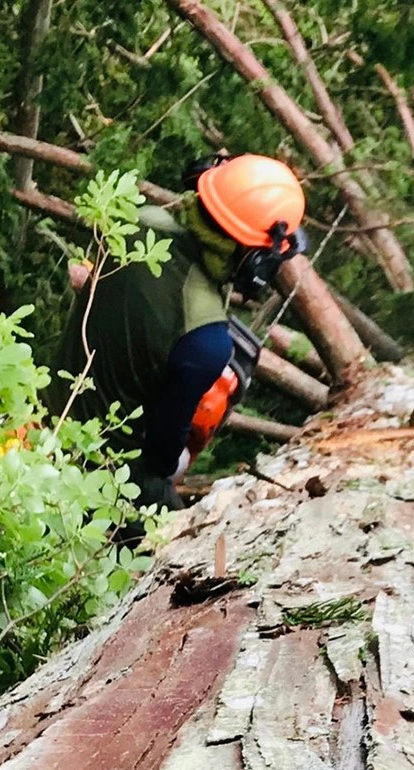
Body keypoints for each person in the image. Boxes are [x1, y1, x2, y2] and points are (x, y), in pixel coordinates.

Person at [44, 153, 306, 510]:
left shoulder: (138, 221)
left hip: (51, 399)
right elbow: (161, 454)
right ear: (254, 259)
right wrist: (176, 460)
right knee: (177, 528)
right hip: (99, 466)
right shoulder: (207, 341)